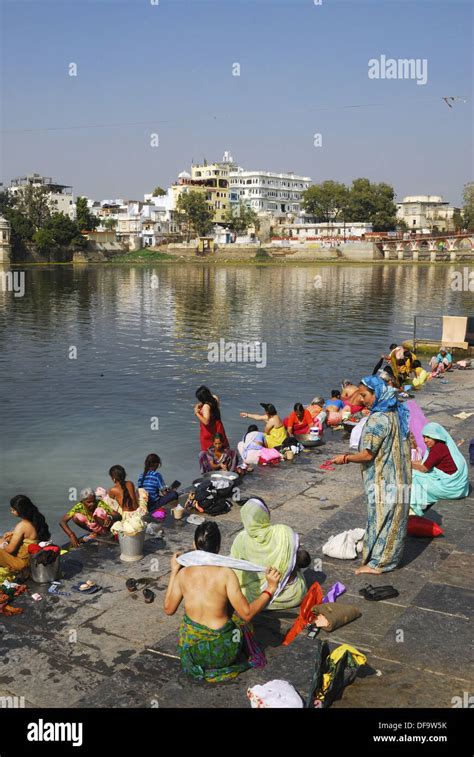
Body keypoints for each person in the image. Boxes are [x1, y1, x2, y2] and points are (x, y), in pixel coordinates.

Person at [164, 521, 281, 683]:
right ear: (218, 548)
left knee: (188, 622)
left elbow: (169, 609)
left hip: (194, 653)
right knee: (239, 619)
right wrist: (271, 588)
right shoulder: (226, 574)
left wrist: (174, 572)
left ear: (194, 545)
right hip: (225, 652)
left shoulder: (183, 574)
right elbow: (247, 614)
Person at [331, 375, 411, 575]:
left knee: (381, 518)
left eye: (366, 395)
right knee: (393, 519)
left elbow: (367, 454)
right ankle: (385, 559)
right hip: (398, 476)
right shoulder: (393, 411)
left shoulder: (377, 419)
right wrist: (360, 394)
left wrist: (346, 458)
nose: (363, 399)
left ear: (377, 394)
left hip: (383, 479)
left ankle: (378, 564)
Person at [230, 498, 308, 609]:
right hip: (292, 596)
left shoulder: (241, 539)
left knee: (240, 590)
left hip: (255, 598)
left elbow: (235, 570)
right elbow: (296, 561)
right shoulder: (284, 532)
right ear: (265, 514)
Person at [410, 422, 469, 516]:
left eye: (428, 437)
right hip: (458, 488)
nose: (425, 440)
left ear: (436, 436)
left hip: (450, 489)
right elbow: (424, 463)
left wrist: (408, 464)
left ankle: (413, 508)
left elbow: (424, 468)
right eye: (424, 437)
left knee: (413, 475)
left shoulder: (437, 449)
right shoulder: (442, 446)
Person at [0, 495, 50, 577]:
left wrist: (4, 545)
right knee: (6, 538)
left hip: (22, 564)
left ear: (19, 511)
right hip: (32, 559)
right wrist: (12, 533)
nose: (11, 511)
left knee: (2, 543)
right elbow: (29, 534)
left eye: (13, 509)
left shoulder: (22, 525)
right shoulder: (36, 520)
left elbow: (10, 550)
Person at [194, 385, 229, 452]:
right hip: (218, 427)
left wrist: (197, 413)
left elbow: (206, 422)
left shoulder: (206, 407)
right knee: (223, 449)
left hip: (209, 432)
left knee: (209, 453)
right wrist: (199, 405)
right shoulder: (215, 398)